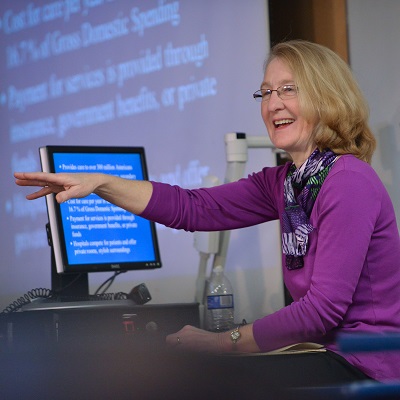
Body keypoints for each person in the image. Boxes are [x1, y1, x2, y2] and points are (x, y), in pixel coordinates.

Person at [15, 40, 400, 386]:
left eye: (288, 89)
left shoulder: (347, 180)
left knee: (199, 379)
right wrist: (101, 182)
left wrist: (221, 342)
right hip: (324, 353)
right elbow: (194, 208)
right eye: (265, 92)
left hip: (365, 366)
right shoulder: (286, 182)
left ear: (327, 96)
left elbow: (321, 312)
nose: (273, 103)